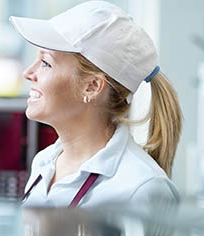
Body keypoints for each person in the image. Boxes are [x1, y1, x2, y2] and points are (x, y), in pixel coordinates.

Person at [10, 1, 182, 208]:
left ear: (92, 86)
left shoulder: (141, 188)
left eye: (46, 63)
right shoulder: (44, 162)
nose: (28, 73)